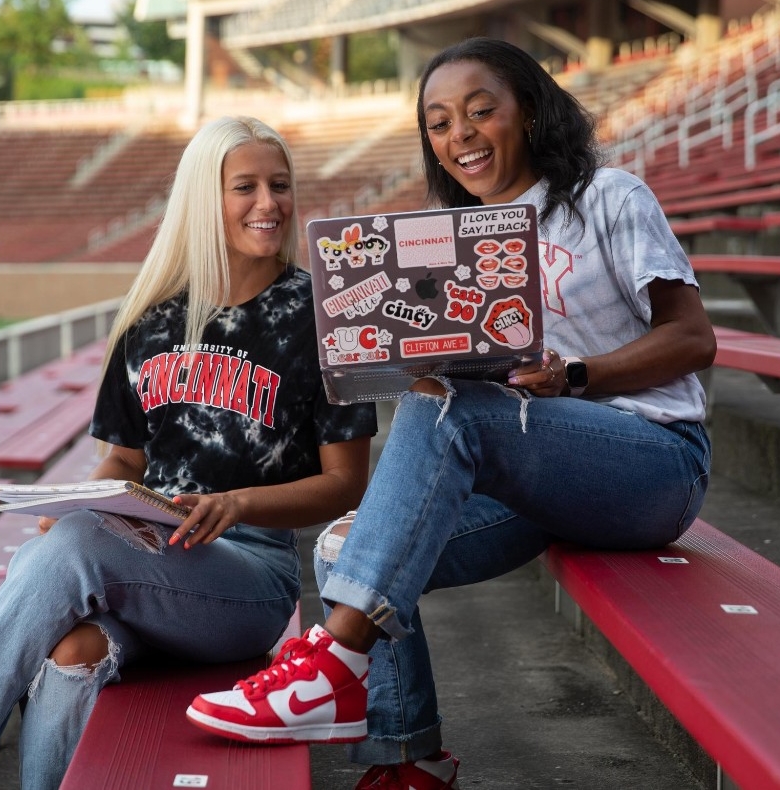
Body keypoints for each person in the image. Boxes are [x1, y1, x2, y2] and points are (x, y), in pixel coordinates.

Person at [188, 38, 717, 789]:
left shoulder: (607, 197)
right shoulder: (451, 241)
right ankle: (407, 763)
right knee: (347, 544)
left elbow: (694, 338)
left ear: (527, 112)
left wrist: (574, 373)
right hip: (533, 475)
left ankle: (331, 666)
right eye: (438, 124)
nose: (458, 136)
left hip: (653, 460)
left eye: (479, 112)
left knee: (457, 412)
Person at [0, 116, 378, 790]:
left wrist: (235, 503)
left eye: (280, 185)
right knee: (71, 646)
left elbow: (346, 484)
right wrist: (76, 504)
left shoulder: (321, 317)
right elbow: (121, 463)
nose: (270, 204)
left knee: (75, 548)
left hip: (247, 581)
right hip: (145, 563)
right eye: (246, 187)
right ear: (204, 198)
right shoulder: (151, 319)